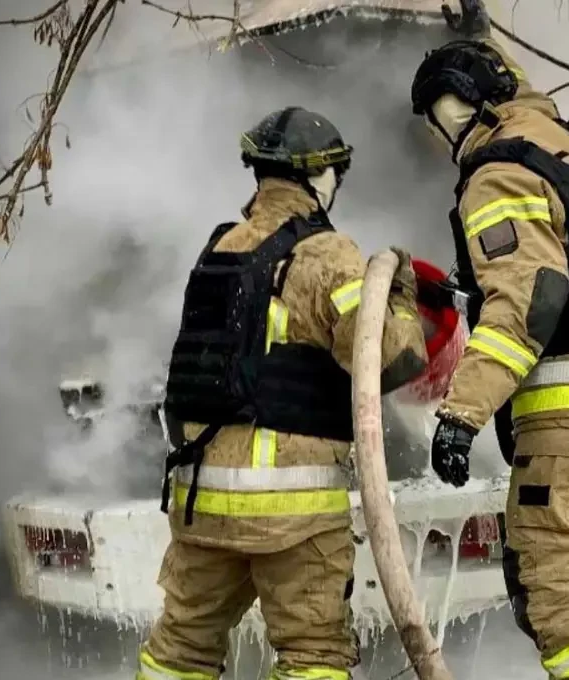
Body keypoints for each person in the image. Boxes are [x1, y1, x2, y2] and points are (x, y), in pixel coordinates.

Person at [409, 2, 569, 679]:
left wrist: (461, 415)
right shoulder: (557, 145)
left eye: (446, 114)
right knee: (556, 571)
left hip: (567, 407)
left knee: (553, 582)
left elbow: (533, 295)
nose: (448, 133)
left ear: (474, 104)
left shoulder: (497, 172)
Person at [137, 106, 428, 680]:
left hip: (201, 504)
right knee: (314, 657)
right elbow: (390, 361)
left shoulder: (218, 248)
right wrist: (400, 295)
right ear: (322, 177)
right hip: (291, 512)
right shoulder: (328, 254)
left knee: (179, 652)